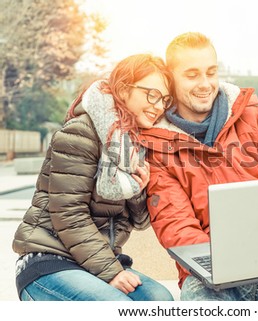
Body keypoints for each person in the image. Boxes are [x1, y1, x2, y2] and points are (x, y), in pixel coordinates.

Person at [140, 32, 258, 301]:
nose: (205, 84)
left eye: (211, 72)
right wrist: (226, 263)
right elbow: (174, 223)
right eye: (192, 75)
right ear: (170, 79)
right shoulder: (158, 146)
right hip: (210, 279)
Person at [12, 53, 175, 301]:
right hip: (48, 260)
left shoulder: (135, 145)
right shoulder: (80, 133)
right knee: (118, 307)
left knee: (160, 300)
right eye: (151, 94)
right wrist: (111, 272)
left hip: (93, 261)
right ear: (123, 89)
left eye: (164, 99)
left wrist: (138, 189)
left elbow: (140, 222)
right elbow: (68, 214)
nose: (159, 105)